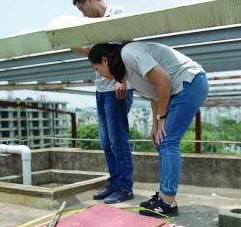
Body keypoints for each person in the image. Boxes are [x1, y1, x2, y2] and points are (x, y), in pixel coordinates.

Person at [88, 42, 209, 216]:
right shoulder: (127, 72)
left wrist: (162, 119)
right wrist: (155, 125)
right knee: (162, 140)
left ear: (105, 61)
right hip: (179, 88)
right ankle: (163, 197)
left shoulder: (129, 53)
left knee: (168, 142)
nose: (98, 74)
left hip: (189, 83)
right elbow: (155, 94)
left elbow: (163, 80)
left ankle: (167, 203)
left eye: (97, 69)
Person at [72, 0, 135, 204]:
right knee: (106, 142)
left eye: (82, 9)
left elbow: (128, 48)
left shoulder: (118, 13)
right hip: (100, 90)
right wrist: (68, 43)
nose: (83, 15)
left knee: (118, 141)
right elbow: (93, 52)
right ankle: (115, 184)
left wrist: (122, 79)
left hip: (115, 88)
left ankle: (125, 188)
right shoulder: (94, 27)